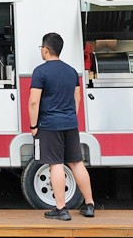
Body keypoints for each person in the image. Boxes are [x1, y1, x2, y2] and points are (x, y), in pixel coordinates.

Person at [28, 32, 95, 220]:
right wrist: (70, 117)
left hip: (49, 124)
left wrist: (33, 125)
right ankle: (89, 204)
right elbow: (77, 98)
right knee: (76, 162)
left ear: (46, 49)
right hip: (70, 123)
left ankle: (61, 208)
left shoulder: (40, 72)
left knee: (55, 164)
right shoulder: (72, 71)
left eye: (41, 47)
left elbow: (34, 102)